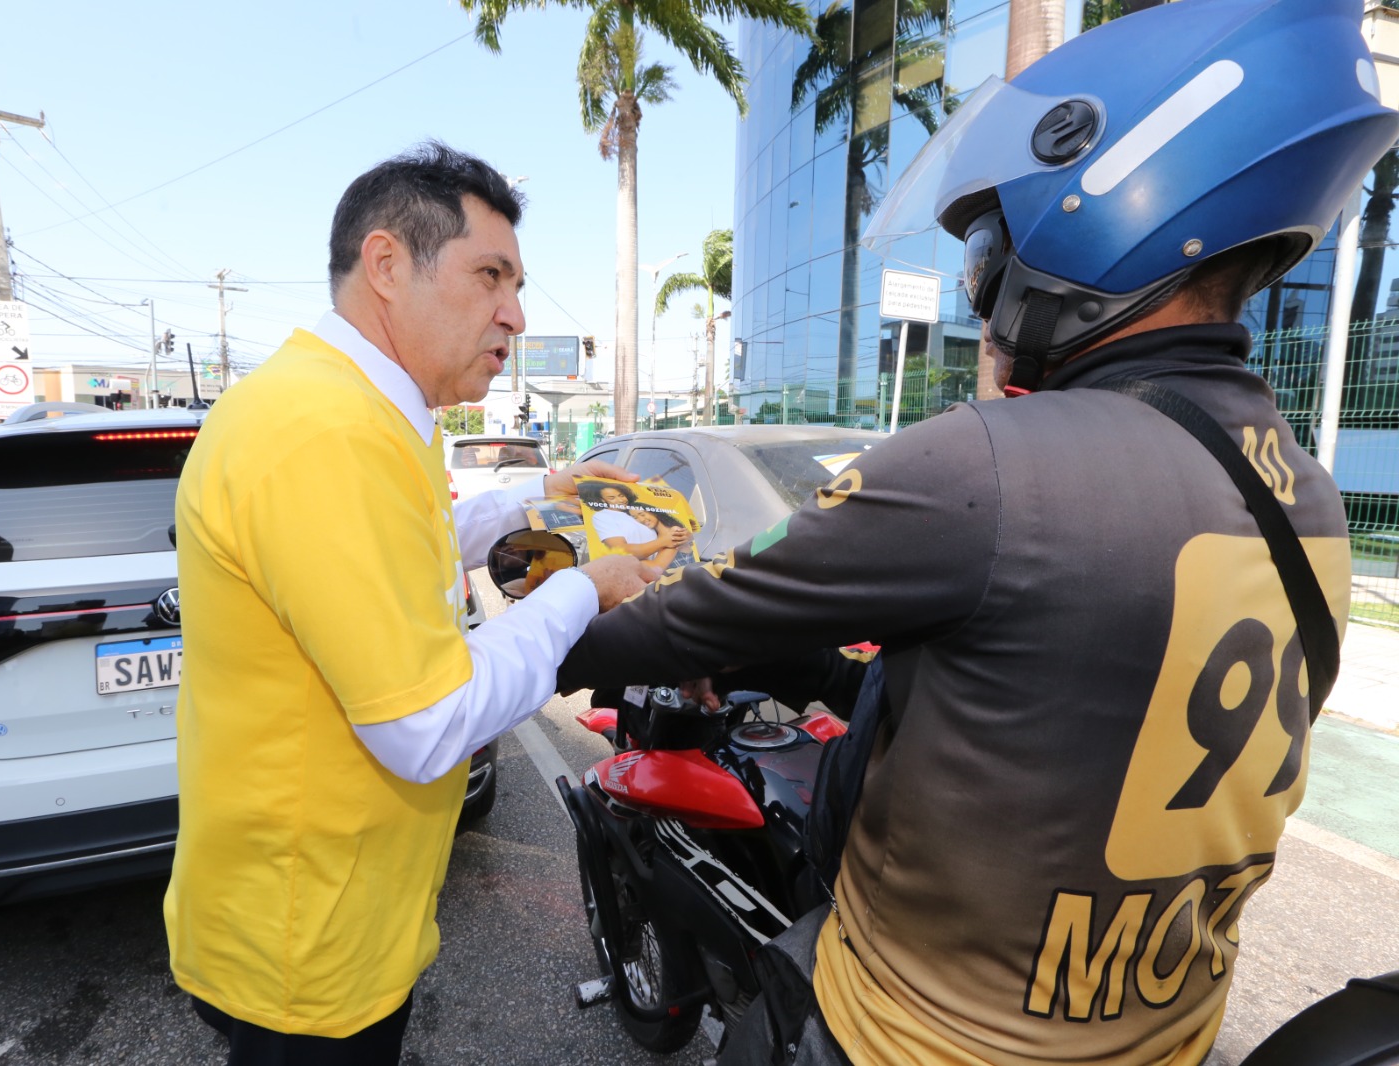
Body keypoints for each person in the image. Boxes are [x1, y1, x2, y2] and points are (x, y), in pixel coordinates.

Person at [556, 2, 1396, 1063]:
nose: (984, 296)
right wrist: (809, 667)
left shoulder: (990, 463)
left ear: (1100, 209)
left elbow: (697, 613)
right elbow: (1046, 719)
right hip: (1164, 1038)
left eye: (987, 252)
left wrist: (518, 651)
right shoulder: (1309, 503)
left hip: (908, 1037)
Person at [163, 142, 655, 1065]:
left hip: (333, 909)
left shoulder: (368, 409)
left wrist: (542, 496)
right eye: (490, 276)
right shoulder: (327, 432)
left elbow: (413, 540)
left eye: (516, 284)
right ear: (387, 265)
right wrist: (582, 590)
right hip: (307, 943)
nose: (515, 314)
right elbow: (428, 723)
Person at [578, 481, 691, 563]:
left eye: (621, 495)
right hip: (640, 571)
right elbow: (621, 550)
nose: (620, 500)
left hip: (664, 563)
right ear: (602, 500)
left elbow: (665, 527)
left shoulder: (633, 510)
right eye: (612, 498)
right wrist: (664, 541)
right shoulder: (603, 516)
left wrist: (684, 535)